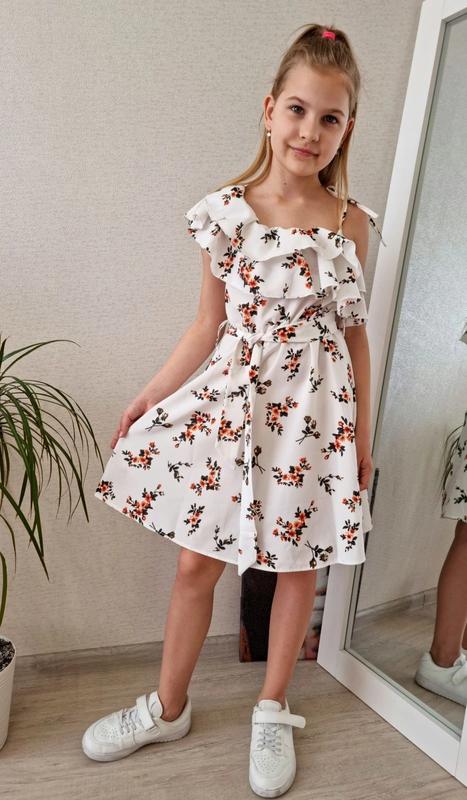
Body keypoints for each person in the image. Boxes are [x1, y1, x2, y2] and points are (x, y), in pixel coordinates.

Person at [82, 22, 386, 797]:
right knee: (196, 563)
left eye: (328, 118)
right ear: (268, 109)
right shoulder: (225, 212)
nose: (309, 131)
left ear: (346, 128)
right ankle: (168, 706)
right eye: (297, 110)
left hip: (313, 415)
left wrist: (362, 438)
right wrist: (152, 393)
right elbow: (205, 322)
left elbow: (356, 340)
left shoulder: (350, 224)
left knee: (296, 565)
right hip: (231, 408)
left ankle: (272, 707)